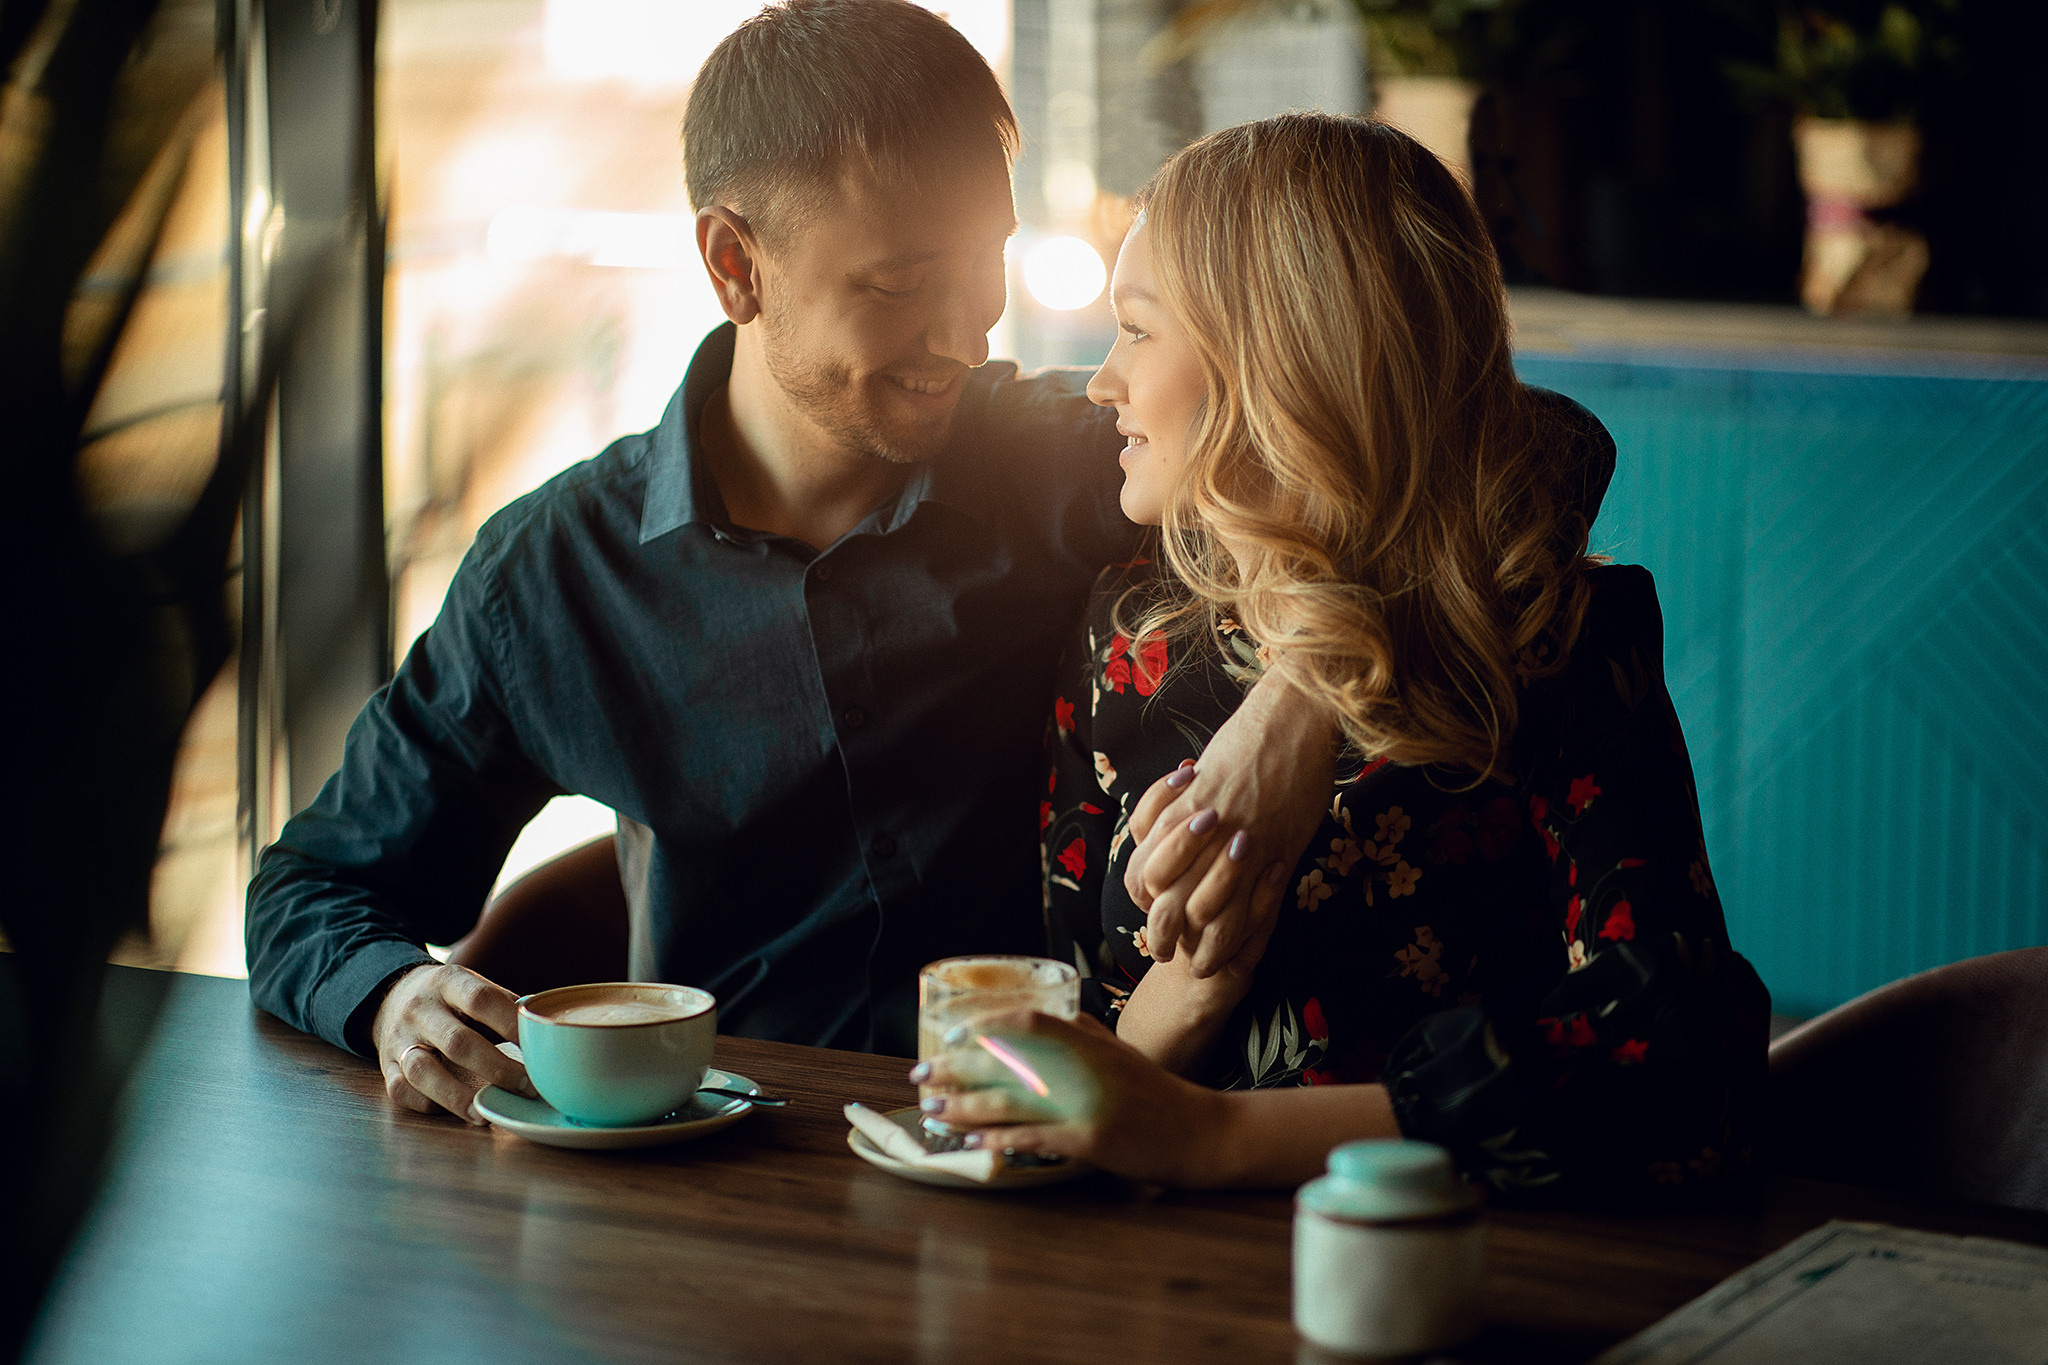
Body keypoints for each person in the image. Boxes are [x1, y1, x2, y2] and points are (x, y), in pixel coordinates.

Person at [244, 0, 1333, 1127]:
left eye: (986, 263)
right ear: (734, 264)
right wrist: (393, 996)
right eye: (898, 284)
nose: (969, 335)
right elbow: (314, 885)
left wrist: (1296, 712)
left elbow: (1464, 474)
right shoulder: (557, 574)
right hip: (723, 1170)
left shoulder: (1072, 459)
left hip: (1042, 1149)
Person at [916, 114, 1771, 1203]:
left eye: (1135, 331)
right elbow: (1086, 1043)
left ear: (1281, 358)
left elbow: (1685, 1055)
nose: (1100, 386)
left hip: (1457, 1265)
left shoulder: (1547, 633)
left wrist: (1212, 1137)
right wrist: (1179, 1003)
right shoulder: (1123, 638)